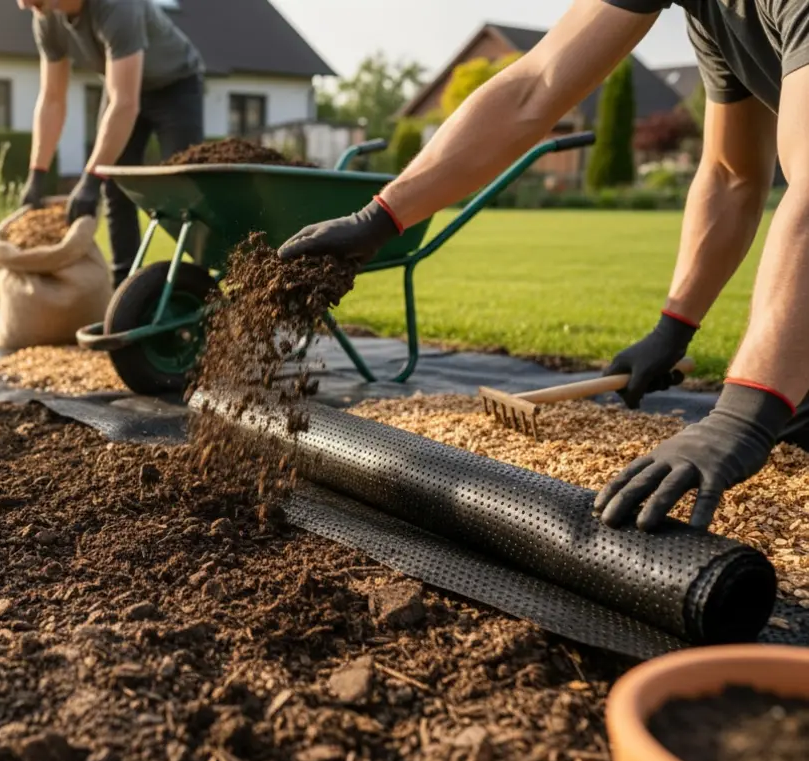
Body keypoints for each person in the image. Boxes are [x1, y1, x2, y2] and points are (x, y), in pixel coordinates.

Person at [277, 0, 809, 533]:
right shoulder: (712, 12)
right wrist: (381, 217)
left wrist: (742, 413)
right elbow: (728, 173)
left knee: (764, 426)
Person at [15, 0, 207, 287]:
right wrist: (37, 174)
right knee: (116, 187)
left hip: (175, 85)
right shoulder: (46, 16)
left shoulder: (117, 6)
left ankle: (197, 286)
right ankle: (125, 287)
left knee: (184, 191)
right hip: (121, 86)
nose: (25, 6)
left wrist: (90, 178)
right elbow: (52, 99)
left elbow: (125, 105)